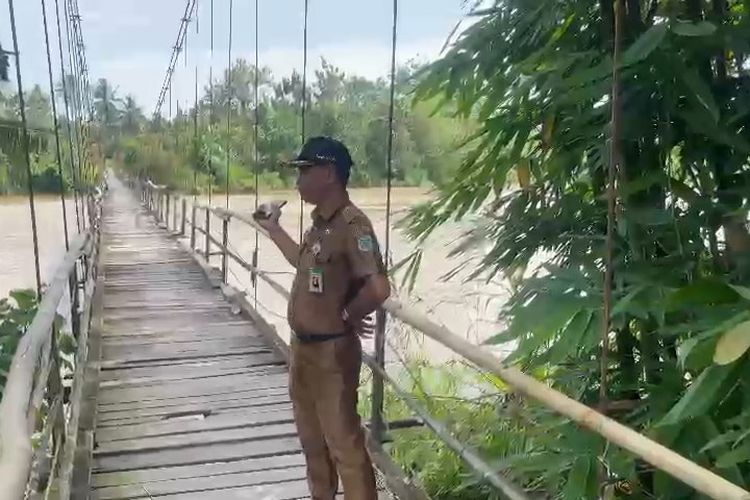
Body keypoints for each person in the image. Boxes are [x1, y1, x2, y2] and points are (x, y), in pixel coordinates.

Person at [255, 136, 391, 500]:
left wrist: (348, 313)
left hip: (332, 355)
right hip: (302, 350)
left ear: (328, 173)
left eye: (304, 171)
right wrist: (273, 230)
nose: (297, 181)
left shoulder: (353, 225)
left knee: (344, 448)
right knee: (312, 444)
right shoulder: (319, 224)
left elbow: (378, 289)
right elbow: (304, 262)